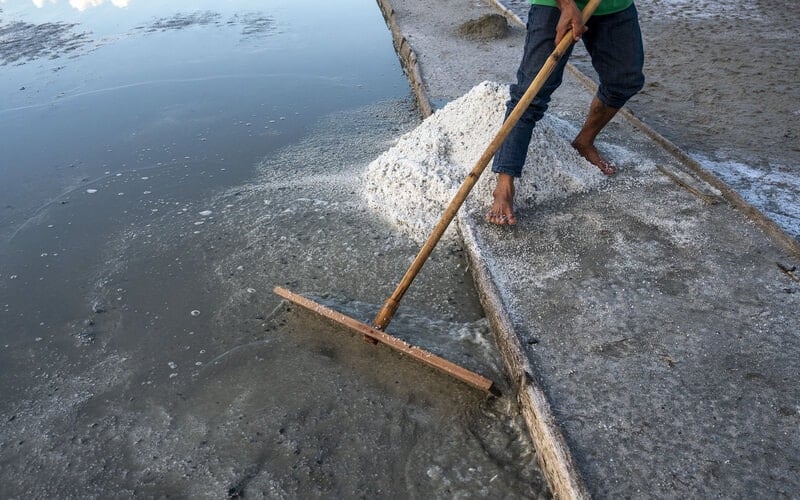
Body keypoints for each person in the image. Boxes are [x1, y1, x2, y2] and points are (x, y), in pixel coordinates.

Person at [485, 0, 644, 226]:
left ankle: (584, 142)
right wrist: (567, 4)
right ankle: (504, 184)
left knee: (625, 80)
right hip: (554, 5)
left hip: (612, 5)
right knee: (532, 92)